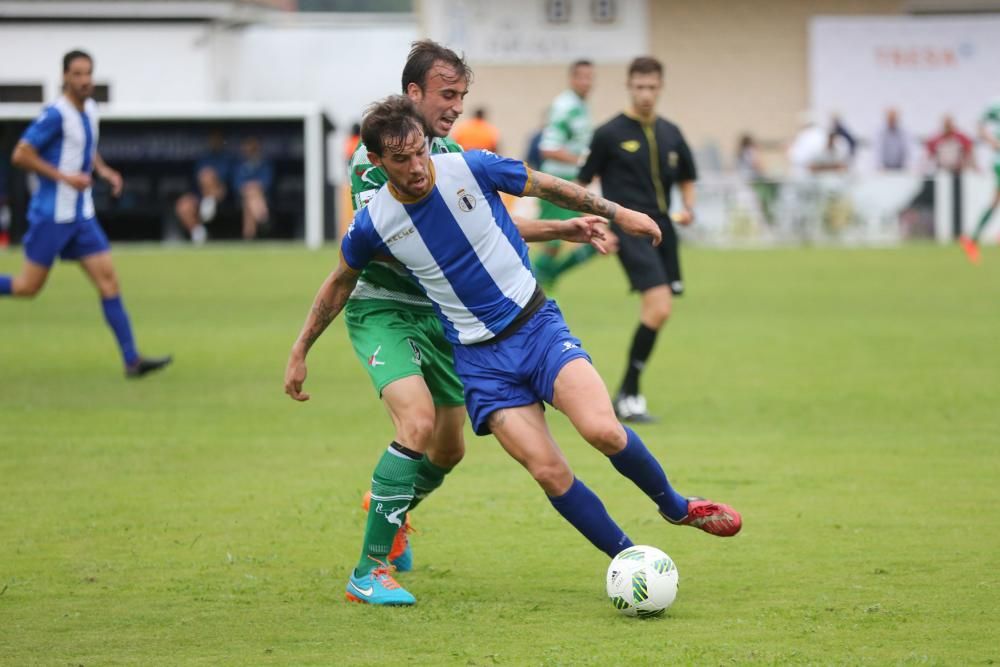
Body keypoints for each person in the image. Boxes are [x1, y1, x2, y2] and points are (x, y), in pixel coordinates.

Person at [284, 95, 742, 606]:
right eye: (400, 160)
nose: (416, 168)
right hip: (481, 366)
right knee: (549, 471)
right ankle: (631, 560)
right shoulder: (375, 223)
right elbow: (338, 284)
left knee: (603, 429)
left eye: (420, 152)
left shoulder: (470, 166)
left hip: (537, 327)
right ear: (377, 161)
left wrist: (619, 213)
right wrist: (301, 348)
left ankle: (677, 507)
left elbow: (548, 186)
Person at [339, 41, 612, 606]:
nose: (458, 105)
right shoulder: (374, 161)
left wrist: (562, 229)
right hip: (387, 308)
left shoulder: (451, 154)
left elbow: (486, 229)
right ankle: (368, 571)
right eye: (447, 94)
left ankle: (389, 513)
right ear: (413, 94)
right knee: (413, 424)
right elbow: (390, 243)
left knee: (449, 451)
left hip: (446, 317)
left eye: (463, 95)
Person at [0, 50, 171, 379]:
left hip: (81, 216)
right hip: (51, 215)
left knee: (109, 282)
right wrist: (65, 178)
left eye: (88, 73)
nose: (84, 80)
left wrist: (104, 171)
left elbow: (85, 150)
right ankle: (132, 359)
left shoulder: (91, 109)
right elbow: (20, 154)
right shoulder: (54, 114)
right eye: (77, 74)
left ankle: (132, 360)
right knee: (27, 287)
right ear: (64, 77)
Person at [578, 57, 697, 423]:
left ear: (660, 87)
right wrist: (603, 224)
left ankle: (628, 393)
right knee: (658, 307)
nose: (645, 94)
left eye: (652, 87)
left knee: (661, 311)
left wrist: (688, 206)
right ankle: (628, 394)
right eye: (639, 87)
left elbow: (688, 175)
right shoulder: (609, 133)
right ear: (629, 86)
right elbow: (582, 182)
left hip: (665, 230)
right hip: (629, 229)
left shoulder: (671, 132)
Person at [532, 60, 597, 289]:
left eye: (590, 77)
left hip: (576, 181)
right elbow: (548, 148)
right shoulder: (565, 106)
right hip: (559, 180)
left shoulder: (581, 106)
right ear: (572, 79)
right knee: (553, 240)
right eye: (582, 77)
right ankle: (533, 282)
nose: (587, 82)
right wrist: (584, 162)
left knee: (601, 234)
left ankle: (546, 278)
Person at [174, 129, 235, 244]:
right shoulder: (204, 158)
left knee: (209, 175)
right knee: (183, 205)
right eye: (212, 140)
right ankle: (198, 233)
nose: (214, 143)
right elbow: (198, 179)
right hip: (200, 195)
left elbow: (225, 179)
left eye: (217, 140)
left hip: (221, 194)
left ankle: (209, 200)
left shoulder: (227, 158)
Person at [960, 98, 1000, 263]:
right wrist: (993, 142)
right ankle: (973, 239)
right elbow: (979, 124)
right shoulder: (996, 108)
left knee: (994, 202)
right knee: (995, 201)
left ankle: (972, 239)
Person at [232, 136, 273, 240]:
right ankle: (262, 216)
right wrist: (250, 188)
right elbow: (237, 184)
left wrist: (253, 187)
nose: (249, 151)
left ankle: (249, 236)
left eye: (253, 148)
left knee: (250, 200)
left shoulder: (264, 164)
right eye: (248, 148)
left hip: (262, 197)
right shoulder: (239, 165)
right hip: (242, 197)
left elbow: (266, 183)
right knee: (250, 196)